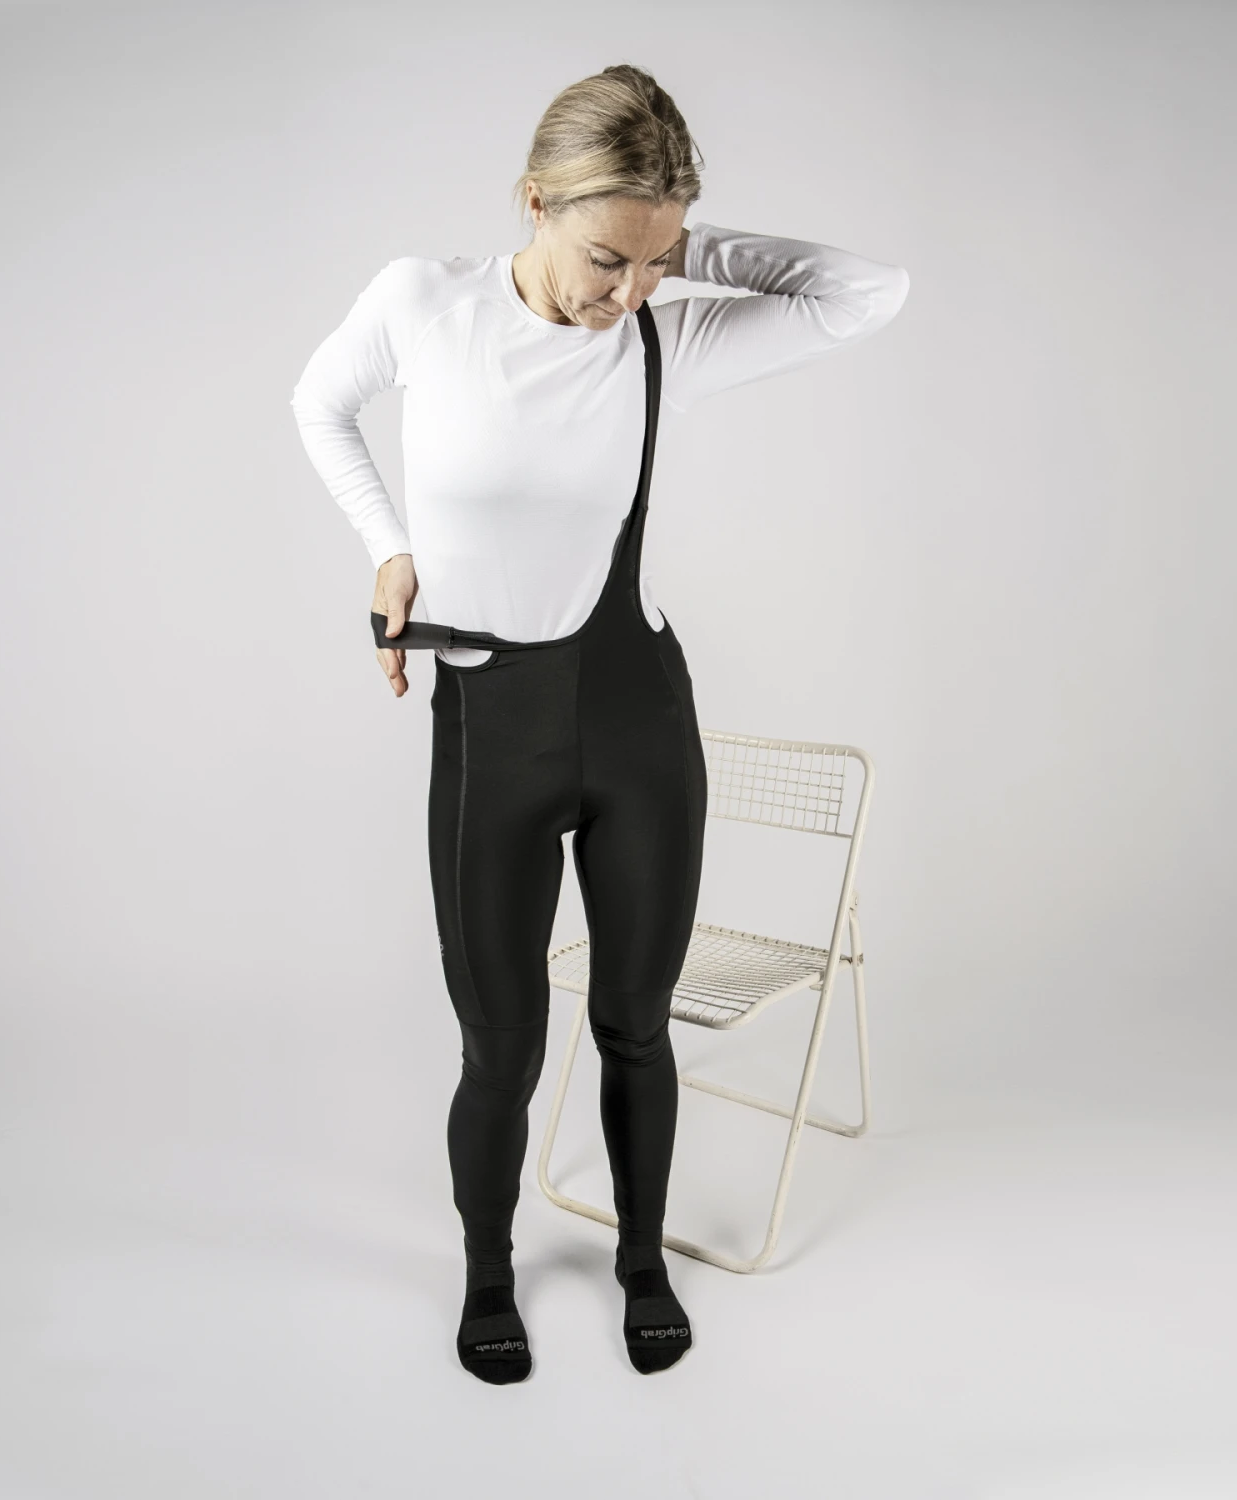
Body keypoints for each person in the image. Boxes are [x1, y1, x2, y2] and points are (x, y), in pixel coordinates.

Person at [290, 63, 909, 1384]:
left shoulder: (656, 338)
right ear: (534, 202)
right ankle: (488, 1273)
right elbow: (319, 403)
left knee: (637, 1020)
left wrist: (680, 238)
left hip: (638, 727)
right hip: (492, 729)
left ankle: (641, 1262)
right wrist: (389, 549)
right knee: (501, 1047)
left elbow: (869, 293)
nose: (626, 293)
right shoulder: (424, 305)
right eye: (603, 258)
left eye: (653, 263)